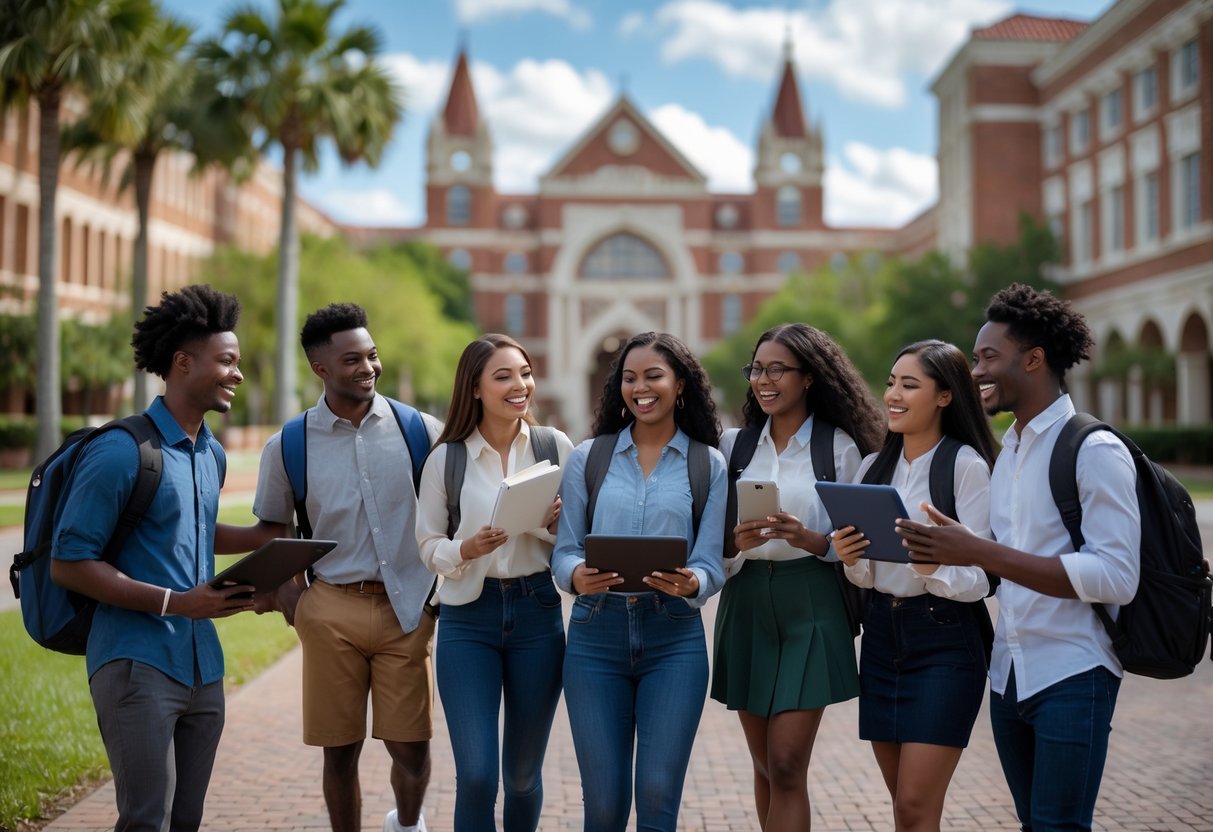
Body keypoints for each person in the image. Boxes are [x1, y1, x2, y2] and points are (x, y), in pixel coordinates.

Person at [896, 284, 1140, 831]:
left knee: (1058, 826)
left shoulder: (1094, 450)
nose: (975, 370)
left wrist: (981, 552)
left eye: (988, 357)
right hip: (1010, 676)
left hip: (1075, 671)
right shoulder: (1009, 450)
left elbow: (1118, 576)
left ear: (1033, 360)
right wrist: (949, 557)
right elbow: (998, 566)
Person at [229, 303, 442, 832]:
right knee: (338, 753)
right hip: (330, 608)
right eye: (352, 360)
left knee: (410, 748)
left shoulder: (422, 431)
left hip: (407, 611)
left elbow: (455, 514)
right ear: (320, 368)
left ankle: (407, 825)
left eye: (372, 355)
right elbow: (273, 531)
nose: (368, 367)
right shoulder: (290, 444)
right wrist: (291, 599)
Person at [51, 284, 255, 832]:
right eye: (227, 361)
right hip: (135, 663)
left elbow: (193, 529)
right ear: (183, 363)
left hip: (202, 668)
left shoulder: (209, 451)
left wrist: (266, 543)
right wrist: (176, 603)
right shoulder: (120, 451)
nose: (237, 373)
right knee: (146, 819)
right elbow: (69, 562)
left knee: (185, 819)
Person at [710, 322, 885, 832]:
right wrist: (735, 543)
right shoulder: (733, 446)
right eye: (757, 369)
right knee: (766, 763)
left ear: (809, 377)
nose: (763, 380)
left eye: (777, 370)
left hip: (812, 602)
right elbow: (714, 540)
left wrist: (809, 539)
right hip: (745, 603)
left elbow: (862, 547)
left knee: (787, 763)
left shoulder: (842, 450)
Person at [552, 331, 727, 832]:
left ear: (680, 386)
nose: (640, 388)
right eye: (630, 378)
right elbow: (565, 550)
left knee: (656, 795)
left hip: (673, 638)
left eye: (653, 376)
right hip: (594, 635)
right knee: (604, 806)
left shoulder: (706, 464)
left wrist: (693, 582)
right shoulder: (589, 458)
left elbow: (710, 563)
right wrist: (574, 575)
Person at [831, 340, 998, 831]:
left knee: (915, 807)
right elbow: (866, 573)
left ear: (945, 396)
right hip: (882, 636)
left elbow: (984, 579)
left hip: (945, 641)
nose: (893, 395)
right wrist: (850, 560)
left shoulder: (965, 466)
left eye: (909, 384)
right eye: (890, 382)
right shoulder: (870, 469)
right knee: (903, 807)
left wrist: (930, 566)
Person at [415, 334, 573, 832]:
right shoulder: (448, 459)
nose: (519, 385)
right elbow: (426, 545)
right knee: (479, 776)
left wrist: (553, 527)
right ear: (476, 389)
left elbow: (575, 540)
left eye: (524, 373)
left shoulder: (554, 446)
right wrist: (466, 548)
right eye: (503, 376)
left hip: (537, 614)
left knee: (523, 777)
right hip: (469, 619)